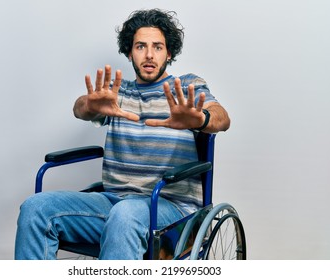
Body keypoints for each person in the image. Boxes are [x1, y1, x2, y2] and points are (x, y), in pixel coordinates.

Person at [15, 8, 230, 260]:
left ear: (169, 52)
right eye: (140, 46)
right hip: (112, 202)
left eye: (158, 47)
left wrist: (200, 118)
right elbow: (80, 108)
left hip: (171, 210)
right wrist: (89, 106)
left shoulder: (186, 87)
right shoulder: (117, 93)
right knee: (36, 208)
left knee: (125, 214)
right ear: (129, 51)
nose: (149, 54)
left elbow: (222, 118)